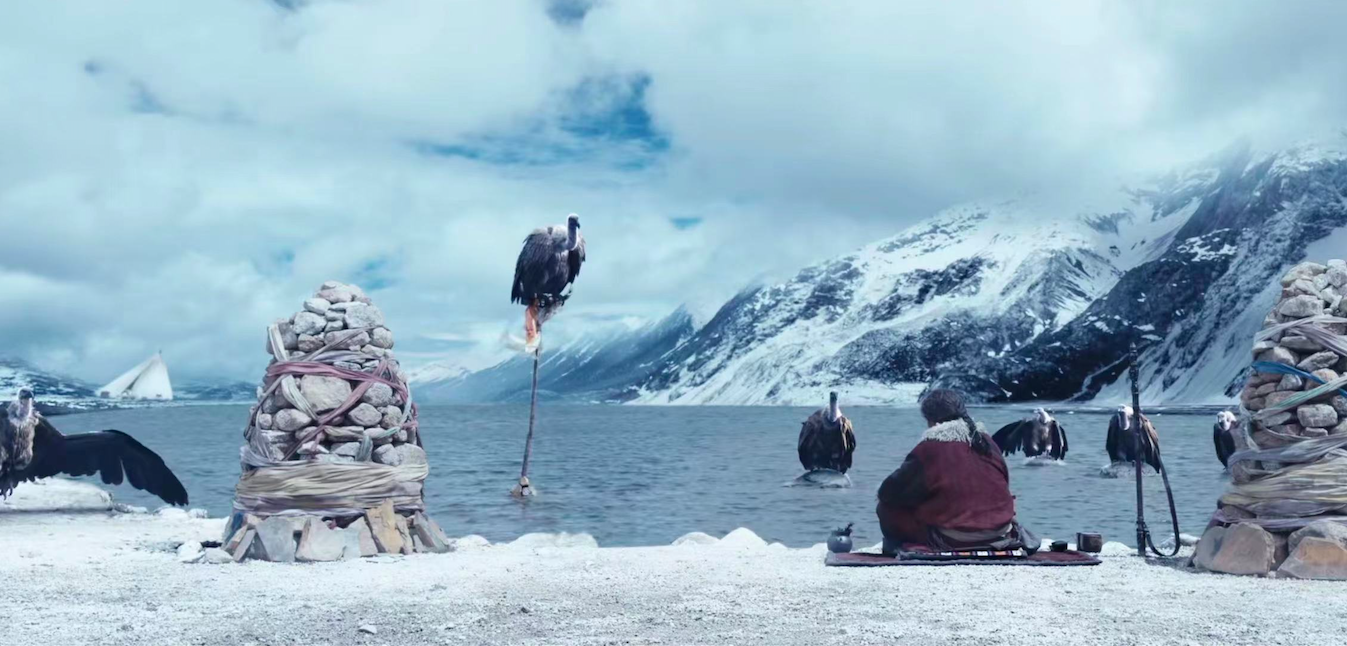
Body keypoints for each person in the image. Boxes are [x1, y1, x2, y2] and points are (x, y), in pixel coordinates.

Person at [875, 389, 1036, 555]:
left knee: (887, 508)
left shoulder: (929, 448)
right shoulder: (987, 442)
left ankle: (901, 546)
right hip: (999, 531)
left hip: (954, 537)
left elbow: (889, 492)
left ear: (930, 419)